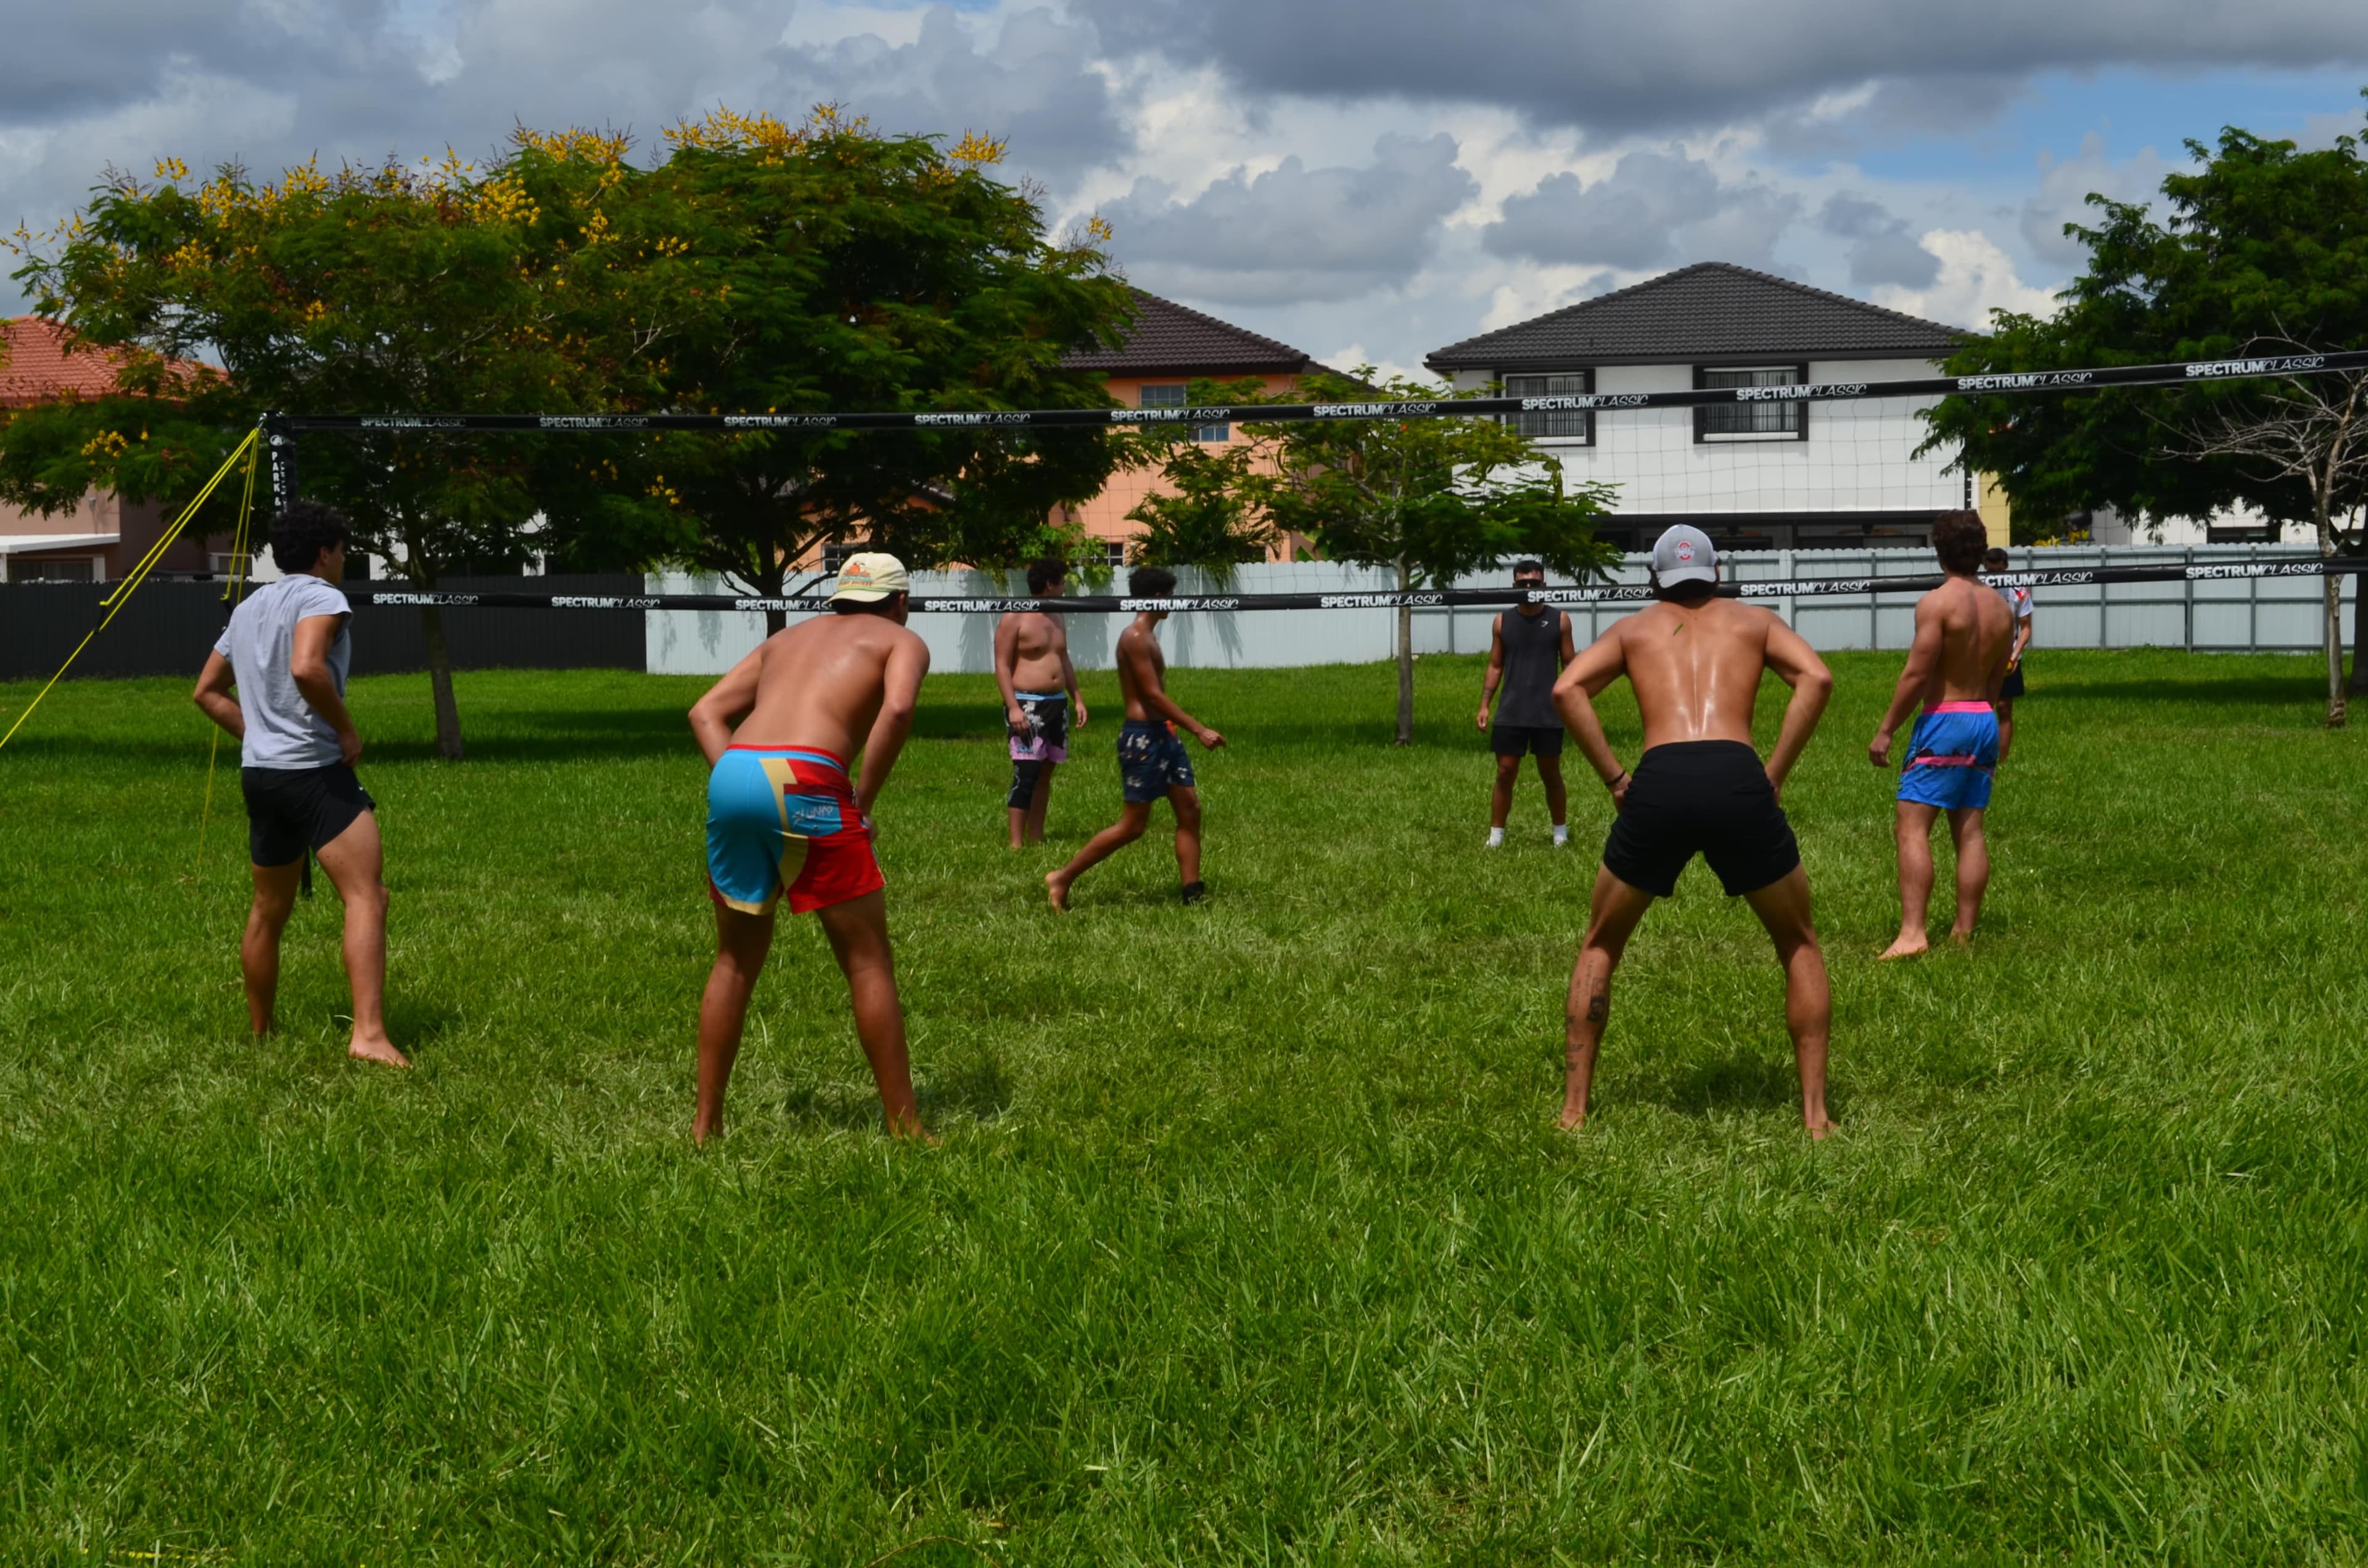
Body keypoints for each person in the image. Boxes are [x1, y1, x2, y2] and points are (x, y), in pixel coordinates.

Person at [1550, 524, 1837, 1139]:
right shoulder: (1756, 621)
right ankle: (1816, 1117)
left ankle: (1574, 1112)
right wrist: (1773, 773)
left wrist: (1615, 780)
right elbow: (1818, 677)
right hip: (1737, 775)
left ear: (1654, 576)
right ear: (1718, 568)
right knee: (1798, 942)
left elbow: (1566, 687)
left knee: (1601, 942)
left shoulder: (1635, 629)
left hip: (1661, 779)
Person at [686, 552, 933, 1143]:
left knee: (735, 959)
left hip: (736, 771)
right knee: (867, 960)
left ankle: (705, 1127)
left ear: (838, 598)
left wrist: (749, 784)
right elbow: (897, 708)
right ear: (900, 603)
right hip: (808, 777)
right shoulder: (902, 641)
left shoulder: (788, 639)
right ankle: (907, 1130)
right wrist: (863, 801)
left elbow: (705, 712)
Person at [191, 500, 405, 1068]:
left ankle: (261, 1034)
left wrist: (257, 733)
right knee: (368, 896)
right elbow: (308, 667)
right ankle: (370, 1036)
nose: (343, 560)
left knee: (268, 910)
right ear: (324, 553)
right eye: (342, 550)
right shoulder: (322, 597)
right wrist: (347, 730)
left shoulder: (249, 608)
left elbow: (206, 691)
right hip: (313, 773)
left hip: (261, 777)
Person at [1871, 514, 2015, 959]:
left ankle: (1913, 933)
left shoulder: (1935, 603)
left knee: (1911, 828)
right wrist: (1985, 721)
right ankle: (1963, 932)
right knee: (1970, 831)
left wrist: (1887, 729)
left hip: (1945, 719)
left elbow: (1917, 674)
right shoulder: (2002, 608)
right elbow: (1996, 680)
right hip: (1982, 717)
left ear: (1939, 550)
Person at [1046, 565, 1226, 911]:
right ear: (1158, 597)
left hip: (1163, 735)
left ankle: (1192, 894)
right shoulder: (1135, 638)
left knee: (1190, 810)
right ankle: (1063, 878)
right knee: (1133, 826)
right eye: (1170, 597)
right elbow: (1153, 696)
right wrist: (1199, 729)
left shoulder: (1149, 636)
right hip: (1142, 739)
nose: (1173, 603)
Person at [1476, 559, 1577, 847]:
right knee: (1505, 772)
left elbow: (1570, 665)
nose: (1529, 588)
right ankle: (1496, 836)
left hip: (1548, 712)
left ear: (1544, 585)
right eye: (1524, 584)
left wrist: (1575, 704)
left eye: (1534, 583)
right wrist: (1485, 704)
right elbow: (1495, 666)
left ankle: (1560, 834)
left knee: (1551, 774)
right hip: (1512, 710)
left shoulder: (1560, 619)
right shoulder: (1502, 621)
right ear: (1514, 586)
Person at [995, 557, 1088, 848]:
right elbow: (1001, 665)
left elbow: (1064, 658)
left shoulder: (1058, 615)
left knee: (1046, 771)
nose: (1064, 589)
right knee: (1027, 772)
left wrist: (1078, 698)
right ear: (1050, 584)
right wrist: (1012, 707)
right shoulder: (1015, 616)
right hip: (1027, 703)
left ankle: (1036, 837)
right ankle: (1015, 844)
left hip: (1056, 703)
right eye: (1062, 582)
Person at [1982, 546, 2033, 764]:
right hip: (1980, 657)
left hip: (2009, 657)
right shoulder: (1977, 588)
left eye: (1999, 571)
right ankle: (1978, 758)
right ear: (1985, 568)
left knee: (2004, 708)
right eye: (1991, 571)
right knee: (1979, 709)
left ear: (2006, 568)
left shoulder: (2019, 590)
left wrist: (2015, 655)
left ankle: (2001, 761)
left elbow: (2026, 627)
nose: (1995, 576)